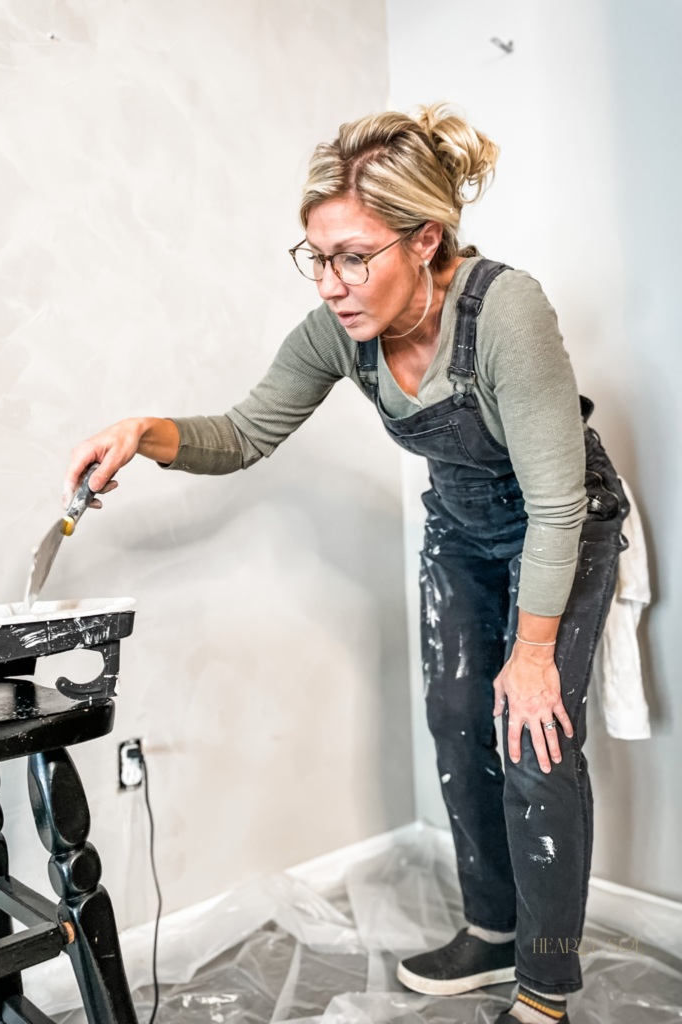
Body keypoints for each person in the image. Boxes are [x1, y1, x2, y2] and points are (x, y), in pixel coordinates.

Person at [64, 105, 628, 1024]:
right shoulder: (340, 330)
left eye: (353, 256)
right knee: (455, 722)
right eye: (316, 256)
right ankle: (491, 931)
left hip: (563, 524)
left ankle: (545, 984)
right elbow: (243, 434)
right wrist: (143, 432)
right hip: (460, 524)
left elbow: (557, 501)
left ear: (426, 240)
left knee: (532, 739)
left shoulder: (504, 310)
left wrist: (531, 656)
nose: (330, 283)